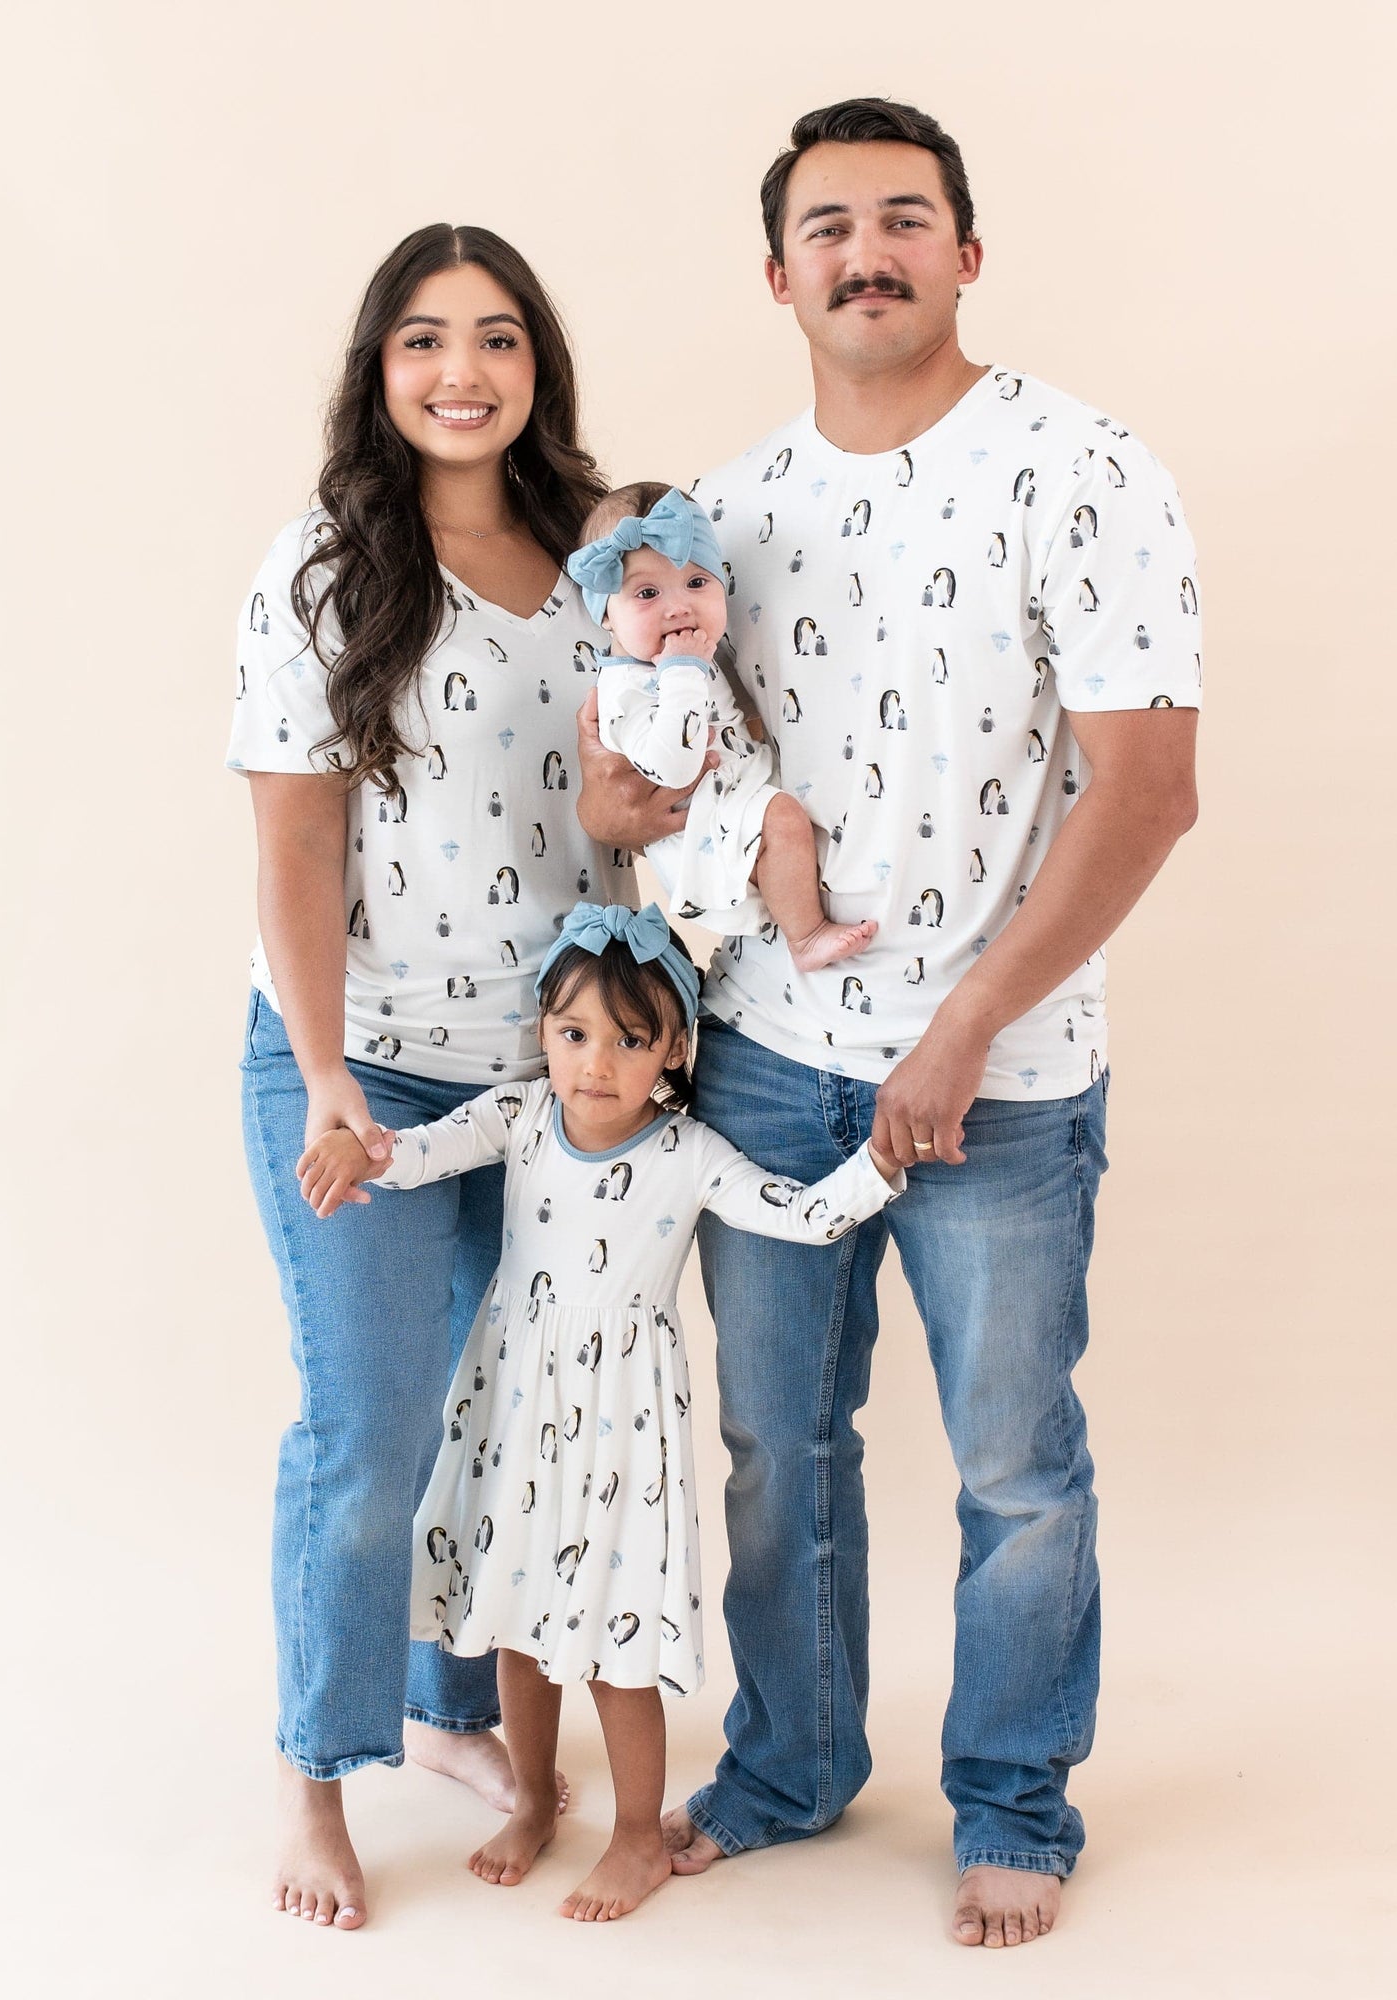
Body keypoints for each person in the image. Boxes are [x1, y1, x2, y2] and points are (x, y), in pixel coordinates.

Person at [575, 98, 1203, 1949]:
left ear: (967, 253)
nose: (870, 251)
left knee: (1016, 1460)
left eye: (907, 218)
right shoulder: (726, 517)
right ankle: (788, 1764)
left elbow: (1146, 791)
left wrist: (962, 1031)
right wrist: (631, 813)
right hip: (768, 1068)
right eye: (831, 226)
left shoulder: (1084, 467)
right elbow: (663, 792)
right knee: (781, 1444)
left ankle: (1013, 1793)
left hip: (1001, 1079)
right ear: (778, 277)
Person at [230, 221, 635, 1931]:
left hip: (554, 1090)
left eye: (494, 339)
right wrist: (327, 1082)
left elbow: (621, 820)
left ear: (537, 366)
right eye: (421, 341)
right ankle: (318, 1782)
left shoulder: (606, 559)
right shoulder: (326, 570)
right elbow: (294, 849)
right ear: (377, 372)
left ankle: (454, 1710)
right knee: (369, 1432)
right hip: (371, 1076)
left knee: (502, 1428)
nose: (459, 372)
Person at [297, 902, 903, 1922]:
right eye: (573, 1033)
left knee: (613, 1644)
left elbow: (794, 1213)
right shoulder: (519, 1116)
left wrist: (880, 1163)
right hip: (519, 1407)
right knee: (520, 1623)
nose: (594, 1063)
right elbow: (424, 1148)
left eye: (628, 1040)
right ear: (543, 1031)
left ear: (673, 1046)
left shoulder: (691, 1152)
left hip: (621, 1430)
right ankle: (533, 1799)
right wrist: (364, 1152)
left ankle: (634, 1834)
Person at [565, 484, 875, 970]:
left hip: (732, 794)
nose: (679, 606)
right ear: (605, 613)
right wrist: (683, 673)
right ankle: (807, 937)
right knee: (785, 819)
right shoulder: (624, 689)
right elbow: (671, 765)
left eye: (697, 583)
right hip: (701, 824)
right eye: (647, 593)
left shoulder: (687, 659)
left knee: (788, 823)